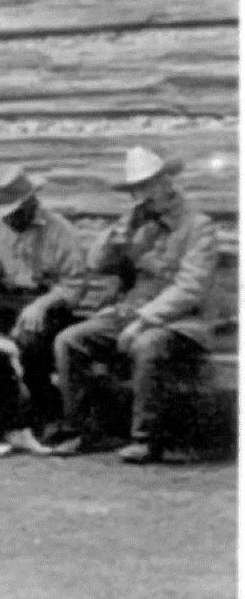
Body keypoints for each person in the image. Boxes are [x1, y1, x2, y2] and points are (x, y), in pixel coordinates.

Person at [52, 147, 218, 463]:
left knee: (147, 343)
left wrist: (143, 319)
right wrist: (118, 234)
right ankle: (85, 431)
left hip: (182, 321)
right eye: (135, 189)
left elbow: (190, 288)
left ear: (168, 182)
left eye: (148, 185)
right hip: (130, 312)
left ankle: (146, 439)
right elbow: (96, 264)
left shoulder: (199, 226)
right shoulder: (135, 226)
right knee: (70, 340)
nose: (141, 196)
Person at [0, 164, 91, 435]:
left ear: (31, 202)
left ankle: (44, 415)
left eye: (14, 212)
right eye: (4, 213)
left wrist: (41, 304)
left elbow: (75, 285)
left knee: (30, 338)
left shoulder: (59, 231)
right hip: (8, 301)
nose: (9, 219)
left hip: (49, 306)